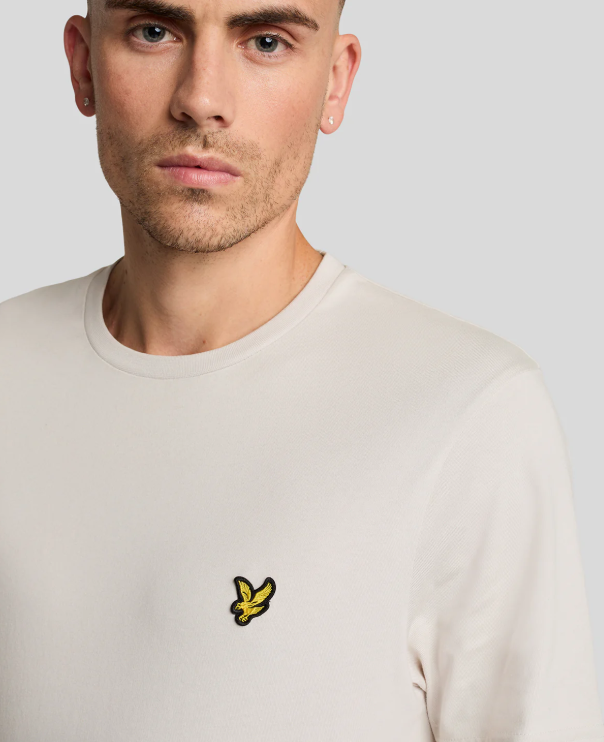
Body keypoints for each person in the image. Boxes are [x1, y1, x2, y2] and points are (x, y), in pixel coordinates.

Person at [0, 0, 602, 739]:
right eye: (154, 32)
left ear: (336, 81)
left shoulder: (470, 413)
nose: (202, 98)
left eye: (265, 41)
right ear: (83, 63)